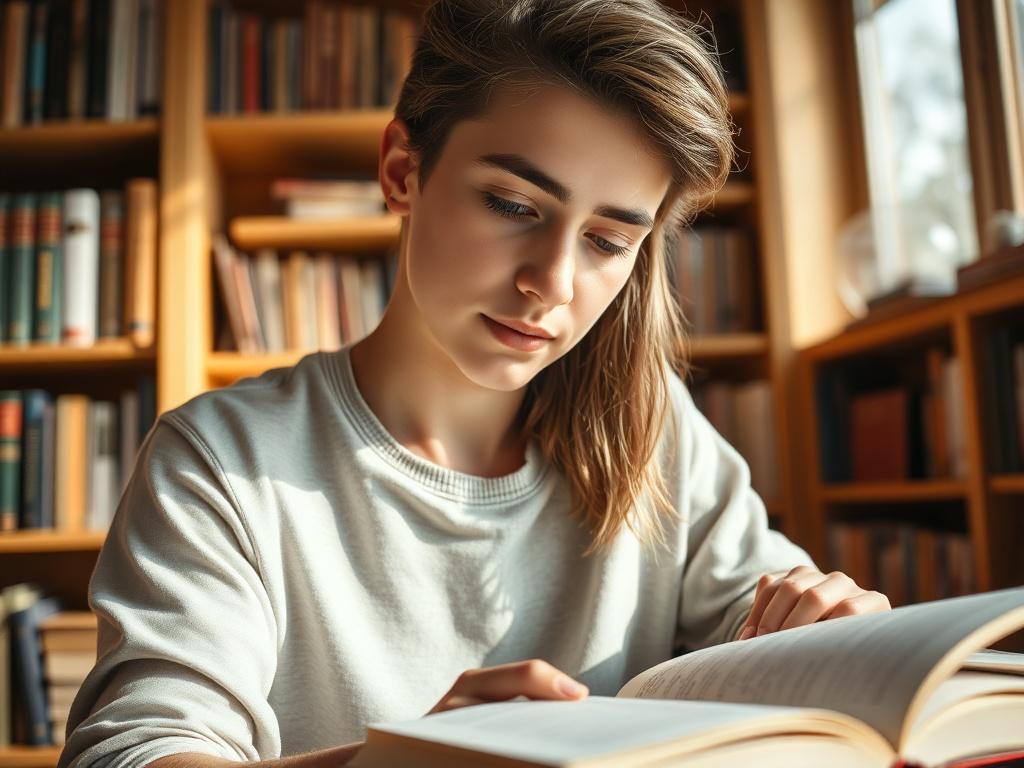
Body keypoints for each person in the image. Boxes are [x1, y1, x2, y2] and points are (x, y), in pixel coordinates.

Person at [58, 1, 890, 766]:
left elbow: (770, 631)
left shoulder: (654, 430)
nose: (552, 283)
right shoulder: (221, 461)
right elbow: (136, 749)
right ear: (401, 171)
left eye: (608, 242)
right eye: (514, 205)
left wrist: (831, 635)